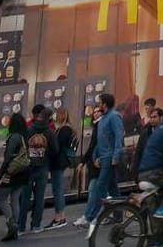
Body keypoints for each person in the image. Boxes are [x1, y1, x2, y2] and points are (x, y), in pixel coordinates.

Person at [75, 92, 123, 229]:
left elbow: (119, 137)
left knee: (101, 187)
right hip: (103, 157)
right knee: (112, 188)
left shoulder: (114, 117)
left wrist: (116, 156)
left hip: (109, 157)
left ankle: (91, 217)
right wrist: (95, 156)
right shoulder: (103, 119)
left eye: (100, 103)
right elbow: (98, 142)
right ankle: (118, 215)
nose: (98, 105)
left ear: (105, 104)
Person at [20, 106, 54, 236]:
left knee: (25, 198)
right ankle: (36, 225)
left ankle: (21, 226)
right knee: (39, 198)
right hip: (43, 167)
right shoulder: (49, 132)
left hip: (28, 167)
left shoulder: (28, 130)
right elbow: (55, 149)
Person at [0, 113, 29, 243]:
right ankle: (16, 226)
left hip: (12, 172)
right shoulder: (23, 137)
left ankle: (11, 224)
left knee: (1, 199)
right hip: (23, 172)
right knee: (15, 198)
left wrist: (1, 173)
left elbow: (8, 157)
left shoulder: (14, 137)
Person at [46, 108, 74, 229]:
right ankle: (60, 216)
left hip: (58, 162)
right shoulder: (66, 129)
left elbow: (57, 146)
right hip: (60, 162)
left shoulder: (64, 130)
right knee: (58, 189)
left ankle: (59, 217)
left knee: (57, 190)